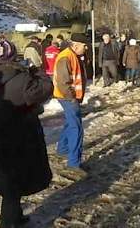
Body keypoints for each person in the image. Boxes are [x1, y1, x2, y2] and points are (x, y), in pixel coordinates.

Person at [0, 39, 53, 228]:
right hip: (21, 135)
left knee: (7, 177)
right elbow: (45, 89)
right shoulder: (22, 78)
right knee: (16, 181)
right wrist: (37, 71)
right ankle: (9, 223)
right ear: (13, 56)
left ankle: (16, 217)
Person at [53, 33, 88, 175]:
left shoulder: (71, 55)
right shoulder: (66, 57)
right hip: (67, 98)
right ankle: (74, 163)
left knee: (70, 123)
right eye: (84, 46)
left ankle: (62, 149)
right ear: (75, 45)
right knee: (76, 128)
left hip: (68, 97)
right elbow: (63, 82)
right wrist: (72, 98)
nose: (86, 48)